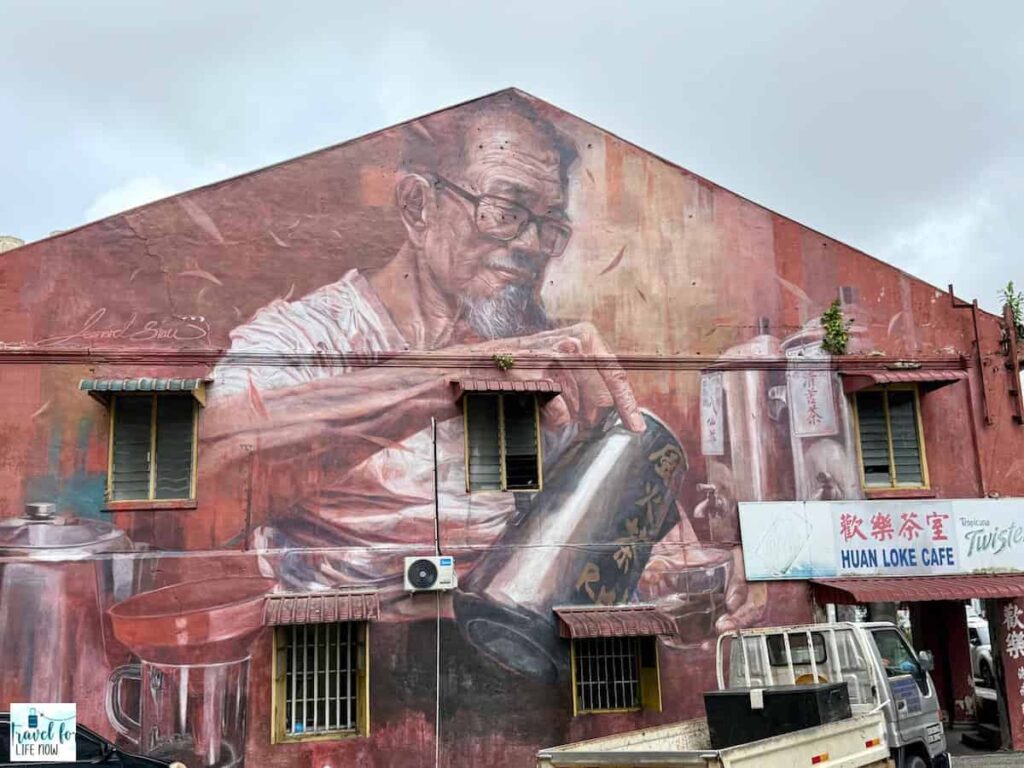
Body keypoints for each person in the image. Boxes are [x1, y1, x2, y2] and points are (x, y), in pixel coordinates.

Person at [202, 92, 763, 630]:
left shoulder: (546, 365)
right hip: (341, 664)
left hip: (513, 659)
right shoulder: (306, 334)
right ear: (417, 206)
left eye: (551, 226)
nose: (533, 245)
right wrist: (450, 379)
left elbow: (642, 544)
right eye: (505, 210)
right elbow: (210, 482)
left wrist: (719, 572)